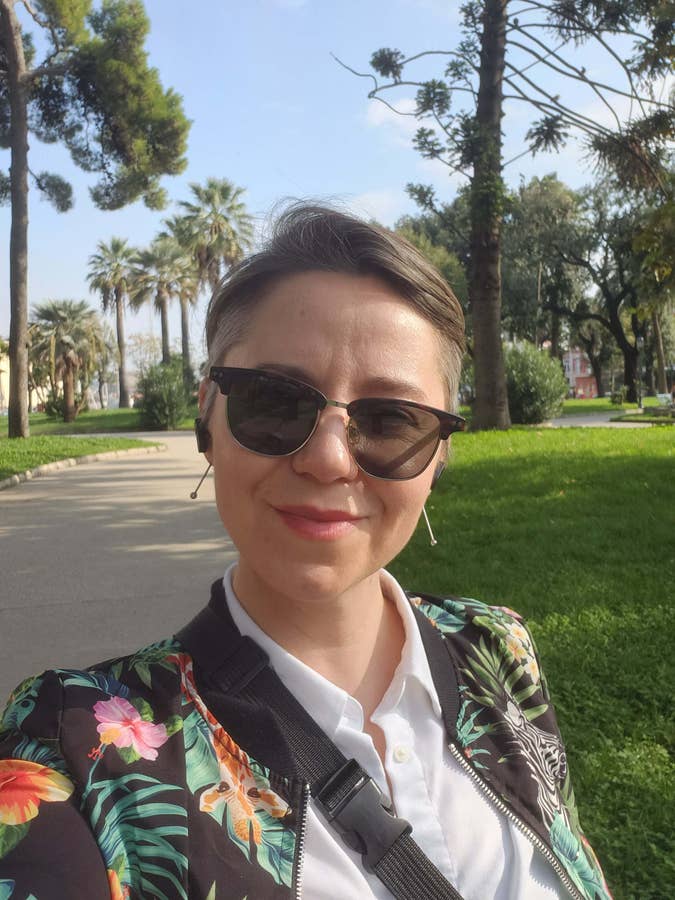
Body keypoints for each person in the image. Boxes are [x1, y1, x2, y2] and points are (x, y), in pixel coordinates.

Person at [0, 205, 611, 900]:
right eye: (274, 402)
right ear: (208, 415)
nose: (327, 459)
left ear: (438, 455)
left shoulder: (496, 647)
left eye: (390, 419)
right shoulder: (75, 748)